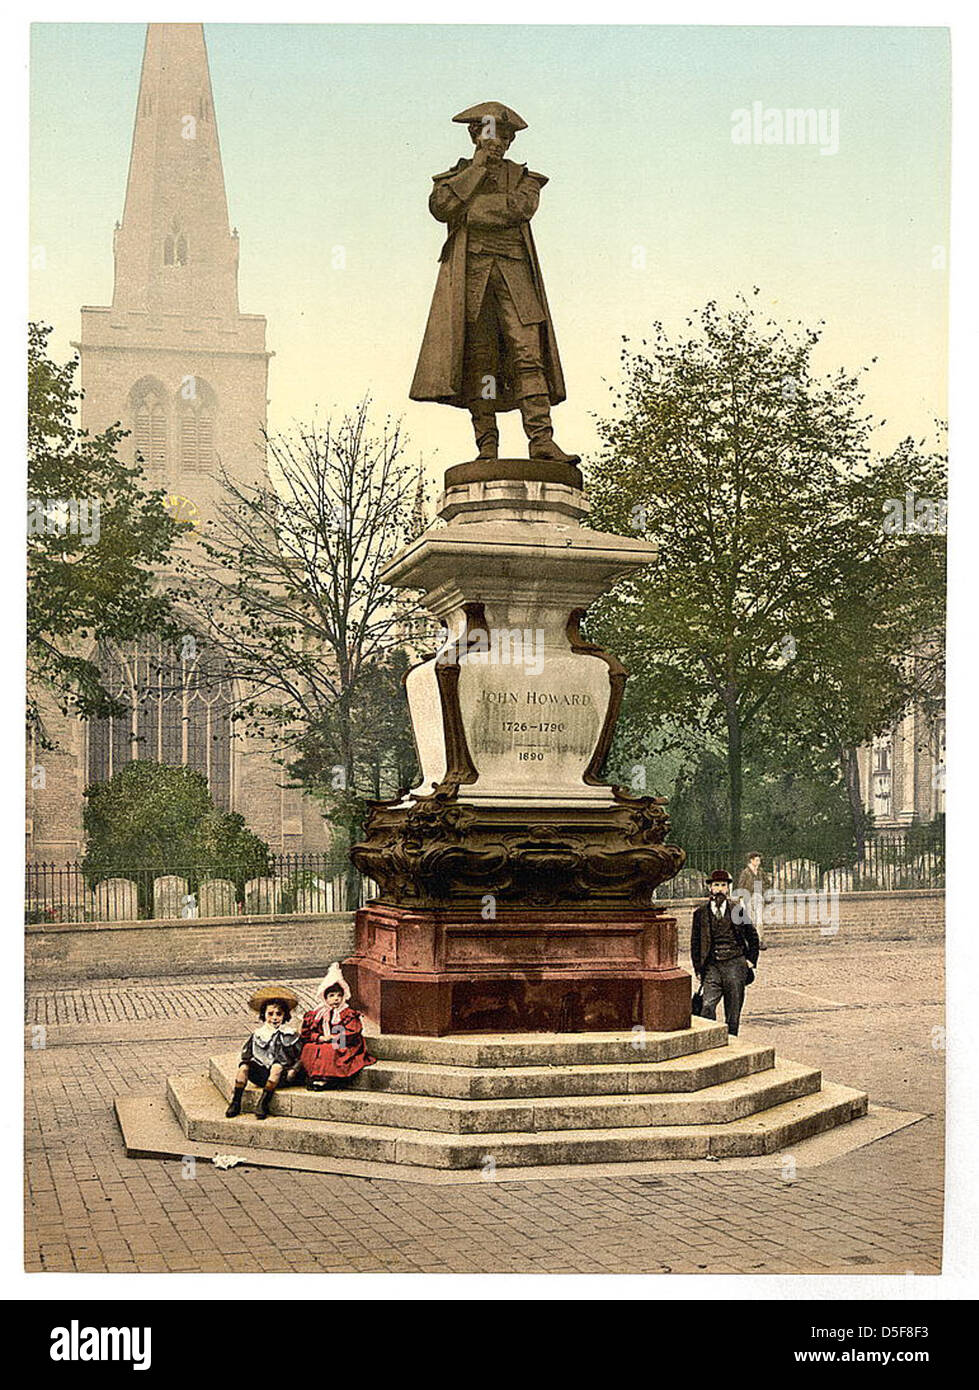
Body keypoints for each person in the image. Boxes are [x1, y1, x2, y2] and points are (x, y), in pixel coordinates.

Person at [410, 100, 577, 464]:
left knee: (528, 356)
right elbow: (443, 208)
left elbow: (520, 209)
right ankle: (487, 446)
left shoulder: (525, 179)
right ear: (475, 136)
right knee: (480, 364)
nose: (497, 142)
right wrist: (478, 170)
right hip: (472, 282)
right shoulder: (453, 180)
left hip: (515, 279)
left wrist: (471, 211)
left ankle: (542, 441)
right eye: (489, 135)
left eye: (503, 136)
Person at [690, 870, 760, 1038]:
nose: (720, 889)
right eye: (716, 885)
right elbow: (695, 943)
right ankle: (711, 1040)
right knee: (707, 1006)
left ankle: (732, 1044)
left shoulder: (737, 910)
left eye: (723, 885)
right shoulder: (700, 914)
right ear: (710, 888)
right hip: (712, 966)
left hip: (735, 965)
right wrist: (699, 969)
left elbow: (752, 936)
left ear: (728, 889)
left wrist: (750, 960)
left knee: (733, 1012)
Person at [225, 985, 302, 1120]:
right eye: (270, 1014)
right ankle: (236, 1102)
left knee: (277, 1067)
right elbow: (246, 1054)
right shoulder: (259, 1034)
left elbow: (302, 1056)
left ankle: (263, 1103)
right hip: (262, 1075)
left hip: (282, 1076)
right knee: (243, 1067)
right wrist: (248, 1063)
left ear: (284, 1016)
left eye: (279, 1014)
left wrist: (294, 1070)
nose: (274, 1018)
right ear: (264, 1015)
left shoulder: (290, 1034)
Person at [299, 963, 376, 1090]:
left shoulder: (347, 1013)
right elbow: (308, 1032)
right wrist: (319, 1037)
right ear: (325, 998)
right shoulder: (319, 1013)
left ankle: (327, 1079)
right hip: (325, 1040)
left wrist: (333, 1037)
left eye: (339, 995)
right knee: (309, 1048)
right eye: (332, 996)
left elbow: (352, 1032)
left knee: (331, 1050)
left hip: (343, 1042)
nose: (336, 999)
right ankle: (314, 1076)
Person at [736, 851, 771, 949]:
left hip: (758, 897)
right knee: (749, 920)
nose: (758, 862)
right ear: (751, 861)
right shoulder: (745, 873)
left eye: (759, 860)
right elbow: (741, 886)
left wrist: (763, 890)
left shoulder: (760, 872)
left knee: (759, 919)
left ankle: (760, 940)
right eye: (756, 860)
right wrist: (741, 899)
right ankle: (751, 941)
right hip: (748, 898)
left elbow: (767, 883)